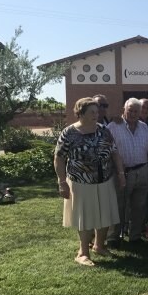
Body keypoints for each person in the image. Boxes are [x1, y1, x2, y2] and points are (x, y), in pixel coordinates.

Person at [54, 97, 125, 266]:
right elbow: (59, 157)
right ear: (81, 113)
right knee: (84, 217)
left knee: (105, 213)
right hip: (80, 181)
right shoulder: (69, 133)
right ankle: (83, 252)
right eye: (92, 112)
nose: (96, 114)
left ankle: (99, 246)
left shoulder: (104, 130)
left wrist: (121, 173)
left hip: (105, 179)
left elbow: (114, 152)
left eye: (97, 111)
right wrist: (61, 182)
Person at [107, 98, 148, 247]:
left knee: (140, 205)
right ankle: (113, 237)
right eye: (130, 110)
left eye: (136, 110)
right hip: (121, 173)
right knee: (118, 205)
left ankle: (135, 236)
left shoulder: (144, 127)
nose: (133, 113)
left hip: (142, 170)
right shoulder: (113, 127)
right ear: (124, 109)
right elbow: (108, 151)